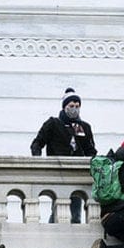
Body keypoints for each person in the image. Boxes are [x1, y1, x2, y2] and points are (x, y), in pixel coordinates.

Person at [31, 88, 96, 223]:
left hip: (78, 174)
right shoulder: (53, 124)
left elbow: (90, 150)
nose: (74, 109)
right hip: (58, 172)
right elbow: (37, 143)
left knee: (75, 213)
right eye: (71, 106)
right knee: (59, 209)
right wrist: (38, 161)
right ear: (64, 106)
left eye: (77, 106)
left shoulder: (84, 127)